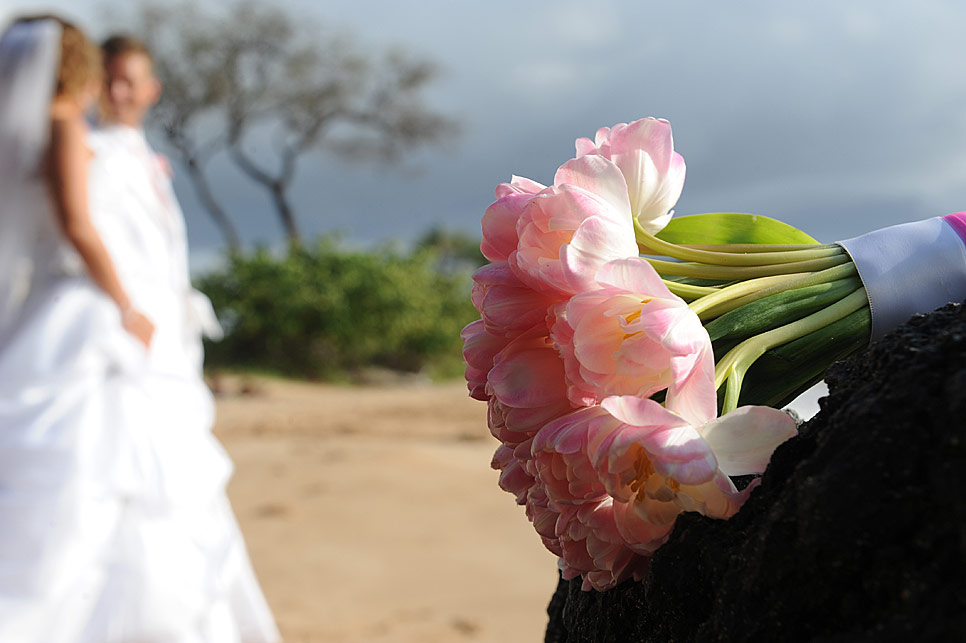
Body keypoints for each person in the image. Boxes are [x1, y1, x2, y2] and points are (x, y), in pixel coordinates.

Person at [0, 16, 280, 642]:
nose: (115, 91)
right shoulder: (76, 139)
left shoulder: (111, 150)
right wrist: (125, 303)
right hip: (97, 327)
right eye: (106, 78)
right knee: (107, 478)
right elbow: (78, 226)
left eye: (130, 81)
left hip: (126, 332)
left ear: (151, 88)